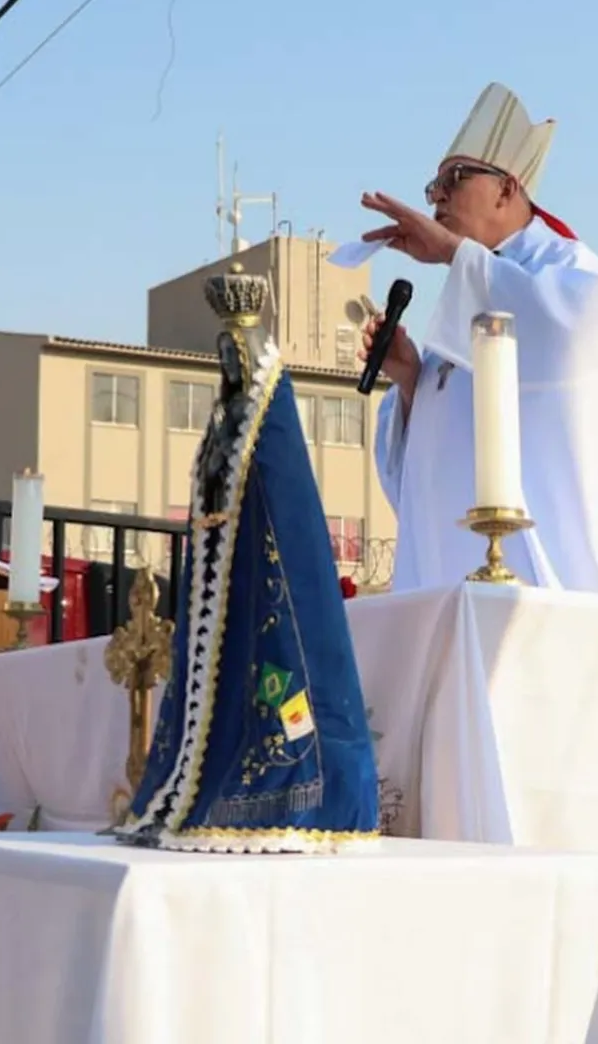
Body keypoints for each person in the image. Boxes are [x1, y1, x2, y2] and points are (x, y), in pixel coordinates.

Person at [359, 82, 598, 597]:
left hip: (555, 585)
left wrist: (455, 253)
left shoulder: (573, 274)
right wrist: (412, 379)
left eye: (452, 180)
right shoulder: (470, 292)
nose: (436, 198)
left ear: (507, 188)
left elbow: (563, 340)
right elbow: (420, 480)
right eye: (432, 187)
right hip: (454, 584)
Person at [115, 264, 379, 853]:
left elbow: (285, 513)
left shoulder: (268, 423)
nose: (233, 367)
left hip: (264, 577)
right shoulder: (225, 424)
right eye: (226, 357)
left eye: (241, 354)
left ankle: (289, 792)